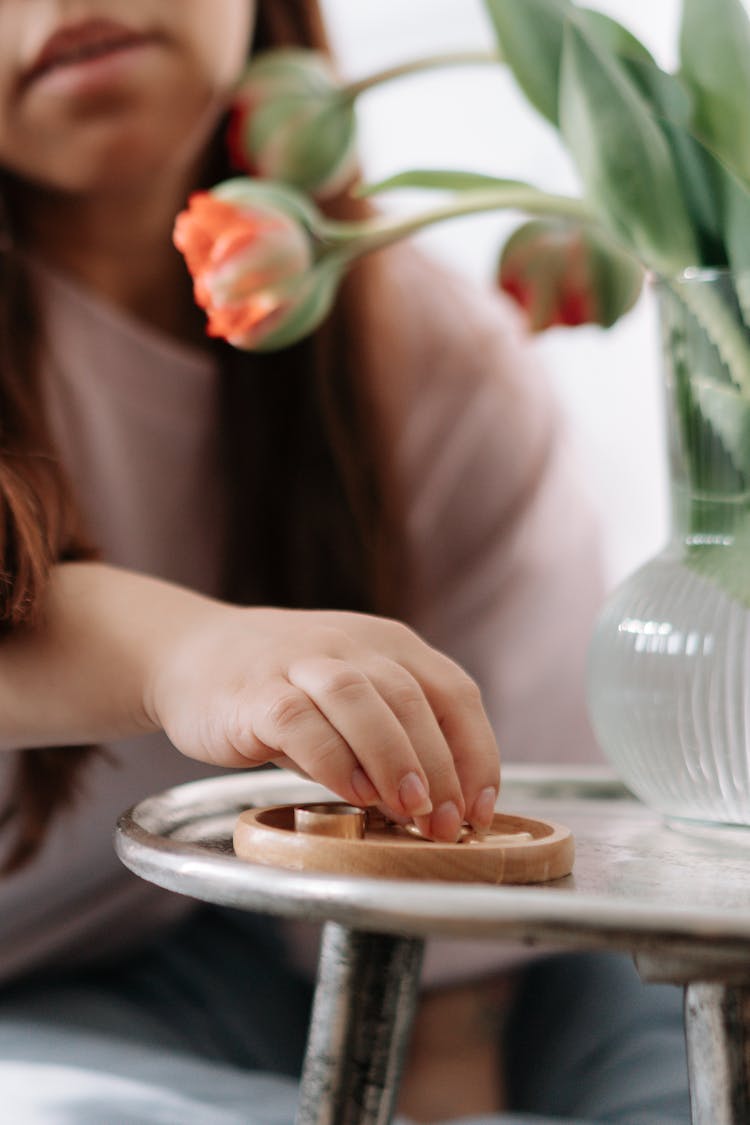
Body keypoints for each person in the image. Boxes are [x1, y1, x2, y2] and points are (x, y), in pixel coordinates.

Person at [0, 1, 689, 1122]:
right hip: (39, 991)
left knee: (668, 1032)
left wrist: (448, 1067)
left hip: (277, 937)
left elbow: (494, 851)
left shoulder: (429, 352)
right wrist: (184, 653)